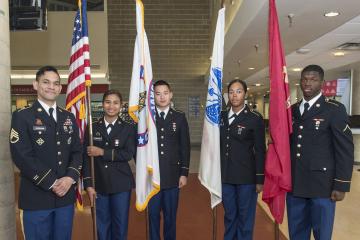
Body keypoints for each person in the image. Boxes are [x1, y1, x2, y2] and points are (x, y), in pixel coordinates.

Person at [9, 66, 82, 240]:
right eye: (46, 82)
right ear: (35, 85)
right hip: (36, 197)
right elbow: (21, 155)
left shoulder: (68, 117)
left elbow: (77, 151)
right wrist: (53, 182)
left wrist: (70, 178)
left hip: (65, 198)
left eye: (56, 83)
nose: (51, 87)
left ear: (60, 88)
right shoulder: (22, 116)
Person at [287, 64, 354, 240]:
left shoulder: (334, 109)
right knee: (297, 234)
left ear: (322, 83)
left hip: (322, 186)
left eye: (313, 79)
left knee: (322, 235)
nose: (308, 83)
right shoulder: (292, 110)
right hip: (296, 185)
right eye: (305, 79)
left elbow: (345, 149)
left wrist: (341, 184)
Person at [83, 90, 136, 240]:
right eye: (108, 102)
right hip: (98, 183)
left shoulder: (128, 127)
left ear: (121, 106)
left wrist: (102, 152)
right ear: (102, 104)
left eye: (115, 103)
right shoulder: (92, 127)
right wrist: (88, 184)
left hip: (121, 184)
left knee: (120, 225)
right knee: (101, 226)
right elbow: (85, 158)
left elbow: (128, 154)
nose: (111, 106)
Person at [220, 79, 266, 240]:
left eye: (238, 91)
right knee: (230, 216)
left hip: (246, 178)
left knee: (245, 219)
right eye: (231, 91)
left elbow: (260, 150)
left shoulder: (254, 118)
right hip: (225, 177)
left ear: (245, 94)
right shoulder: (221, 116)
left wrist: (260, 179)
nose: (234, 95)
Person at [148, 80, 191, 240]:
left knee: (170, 218)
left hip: (173, 176)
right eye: (158, 94)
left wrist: (184, 173)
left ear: (171, 94)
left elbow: (185, 147)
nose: (162, 97)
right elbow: (139, 146)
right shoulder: (147, 118)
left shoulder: (179, 117)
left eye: (165, 93)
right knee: (152, 217)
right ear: (153, 97)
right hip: (152, 177)